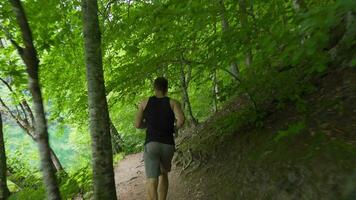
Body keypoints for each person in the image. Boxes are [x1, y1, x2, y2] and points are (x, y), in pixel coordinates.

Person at [135, 77, 185, 200]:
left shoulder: (144, 103)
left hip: (151, 144)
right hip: (167, 144)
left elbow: (137, 124)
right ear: (166, 88)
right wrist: (172, 128)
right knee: (163, 174)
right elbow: (181, 120)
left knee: (152, 180)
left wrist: (148, 125)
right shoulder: (173, 103)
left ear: (154, 87)